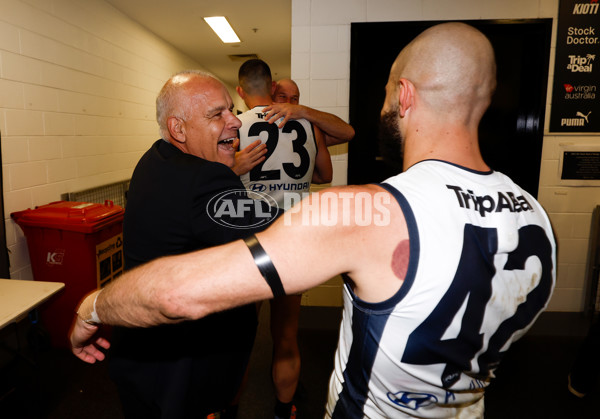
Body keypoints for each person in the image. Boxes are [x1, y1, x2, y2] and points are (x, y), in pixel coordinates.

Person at [71, 22, 557, 418]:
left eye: (386, 93)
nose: (382, 105)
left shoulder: (360, 215)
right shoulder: (537, 219)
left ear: (404, 97)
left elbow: (176, 293)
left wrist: (93, 306)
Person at [102, 70, 278, 419]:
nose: (235, 122)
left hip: (145, 354)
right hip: (180, 368)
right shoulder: (207, 178)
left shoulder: (155, 159)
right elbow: (275, 243)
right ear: (178, 129)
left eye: (231, 109)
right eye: (217, 114)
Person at [235, 58, 332, 419]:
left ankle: (229, 409)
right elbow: (327, 169)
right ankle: (283, 409)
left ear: (240, 91)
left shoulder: (234, 126)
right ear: (273, 87)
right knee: (287, 335)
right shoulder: (305, 125)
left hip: (249, 242)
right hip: (292, 242)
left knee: (241, 338)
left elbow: (210, 181)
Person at [263, 78, 355, 147]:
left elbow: (348, 133)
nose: (288, 103)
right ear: (272, 96)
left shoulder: (306, 128)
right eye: (282, 96)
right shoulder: (261, 123)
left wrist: (303, 111)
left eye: (294, 99)